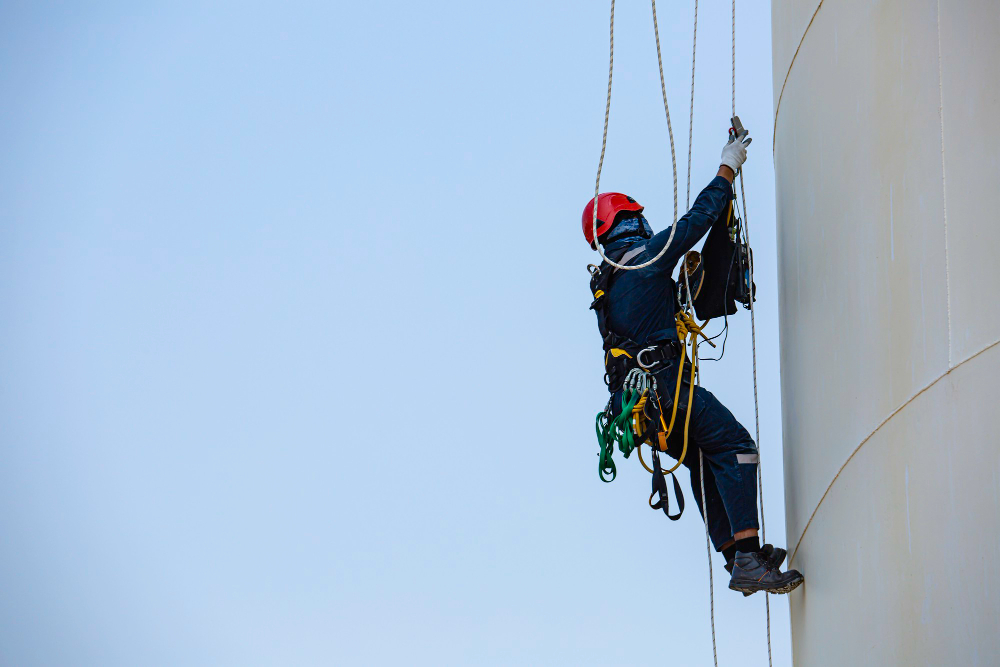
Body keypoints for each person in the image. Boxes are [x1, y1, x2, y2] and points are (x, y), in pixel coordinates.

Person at [583, 131, 804, 595]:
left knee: (704, 462)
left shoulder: (609, 284)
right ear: (627, 222)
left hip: (647, 415)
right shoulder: (644, 260)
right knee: (736, 445)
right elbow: (698, 218)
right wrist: (729, 165)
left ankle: (740, 558)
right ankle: (746, 555)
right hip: (668, 396)